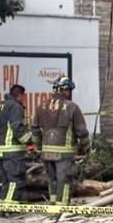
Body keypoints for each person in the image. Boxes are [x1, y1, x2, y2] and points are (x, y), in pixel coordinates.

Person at [31, 76, 90, 204]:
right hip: (64, 152)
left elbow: (35, 130)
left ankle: (52, 204)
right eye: (68, 90)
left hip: (46, 152)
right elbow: (82, 132)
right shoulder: (72, 107)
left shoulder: (41, 107)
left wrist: (39, 148)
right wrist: (86, 148)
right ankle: (61, 207)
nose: (69, 93)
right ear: (64, 90)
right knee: (64, 179)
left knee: (52, 179)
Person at [0, 84, 32, 203]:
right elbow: (17, 128)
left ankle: (3, 204)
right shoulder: (15, 107)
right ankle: (9, 208)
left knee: (6, 182)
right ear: (20, 95)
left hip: (1, 150)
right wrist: (29, 143)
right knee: (16, 181)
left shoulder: (0, 106)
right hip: (13, 152)